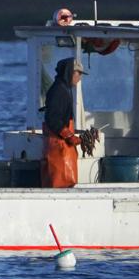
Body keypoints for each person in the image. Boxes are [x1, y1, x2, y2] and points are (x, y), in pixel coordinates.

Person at [41, 57, 86, 188]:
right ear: (70, 72)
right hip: (59, 147)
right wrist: (69, 135)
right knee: (60, 183)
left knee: (65, 182)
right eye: (79, 73)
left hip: (61, 145)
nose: (80, 78)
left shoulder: (63, 88)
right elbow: (52, 118)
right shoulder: (59, 90)